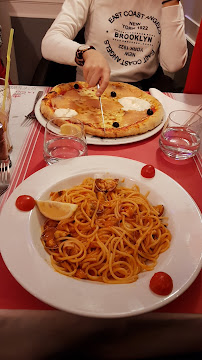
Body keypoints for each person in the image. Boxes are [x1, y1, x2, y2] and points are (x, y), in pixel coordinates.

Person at [41, 0, 188, 95]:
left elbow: (172, 64)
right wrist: (86, 53)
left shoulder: (169, 3)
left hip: (141, 93)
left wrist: (171, 3)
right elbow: (50, 42)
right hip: (91, 88)